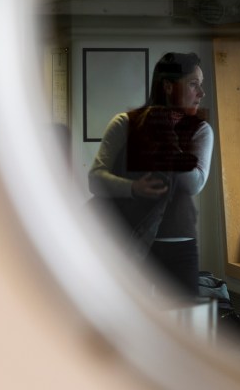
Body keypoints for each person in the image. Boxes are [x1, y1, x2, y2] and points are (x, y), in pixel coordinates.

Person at [88, 51, 213, 299]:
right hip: (127, 239)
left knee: (183, 318)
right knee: (126, 315)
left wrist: (169, 143)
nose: (201, 93)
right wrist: (133, 188)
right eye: (193, 84)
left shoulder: (200, 130)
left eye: (201, 85)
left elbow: (195, 184)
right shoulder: (125, 123)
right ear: (168, 86)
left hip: (179, 243)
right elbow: (95, 178)